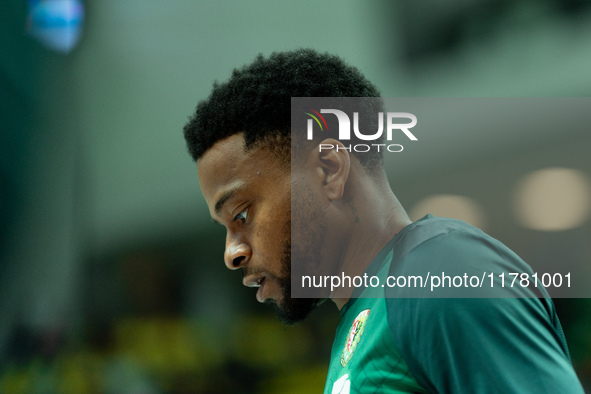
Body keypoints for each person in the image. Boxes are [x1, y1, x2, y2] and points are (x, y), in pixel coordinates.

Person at [183, 49, 584, 393]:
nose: (231, 253)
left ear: (328, 169)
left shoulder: (439, 274)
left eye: (241, 215)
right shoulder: (368, 318)